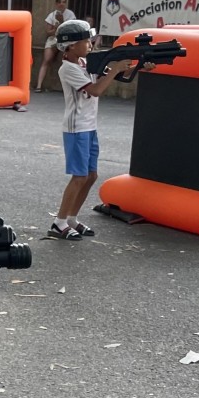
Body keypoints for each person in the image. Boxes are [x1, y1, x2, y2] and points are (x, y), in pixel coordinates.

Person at [48, 19, 133, 241]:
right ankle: (59, 223)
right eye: (86, 42)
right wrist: (115, 69)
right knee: (79, 176)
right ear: (71, 46)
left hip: (89, 126)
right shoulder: (68, 69)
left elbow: (115, 75)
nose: (90, 45)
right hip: (76, 128)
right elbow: (95, 90)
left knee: (91, 175)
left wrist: (136, 66)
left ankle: (71, 218)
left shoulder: (87, 63)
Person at [33, 0, 75, 92]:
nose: (62, 4)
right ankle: (39, 85)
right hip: (54, 39)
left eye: (64, 2)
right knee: (46, 59)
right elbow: (48, 31)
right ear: (56, 4)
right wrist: (55, 28)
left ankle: (68, 87)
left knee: (67, 60)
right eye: (60, 2)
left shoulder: (70, 14)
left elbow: (70, 29)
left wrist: (62, 21)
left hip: (65, 39)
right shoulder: (51, 15)